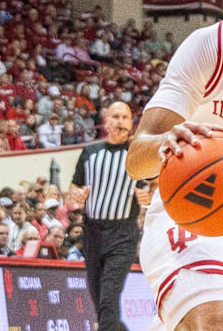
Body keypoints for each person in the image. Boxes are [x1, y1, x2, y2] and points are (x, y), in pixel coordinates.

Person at [67, 102, 151, 330]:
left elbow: (152, 188)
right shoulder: (90, 152)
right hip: (92, 232)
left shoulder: (138, 154)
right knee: (100, 302)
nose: (121, 121)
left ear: (131, 123)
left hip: (123, 234)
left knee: (108, 298)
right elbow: (73, 190)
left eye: (125, 117)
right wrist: (76, 197)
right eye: (116, 116)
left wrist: (147, 196)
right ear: (106, 122)